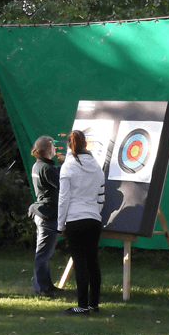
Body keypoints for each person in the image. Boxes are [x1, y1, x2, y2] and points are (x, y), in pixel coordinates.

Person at [57, 130, 105, 315]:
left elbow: (64, 199)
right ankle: (94, 304)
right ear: (86, 144)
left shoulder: (68, 167)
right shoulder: (96, 166)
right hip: (93, 219)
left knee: (80, 263)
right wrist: (95, 213)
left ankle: (82, 305)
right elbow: (101, 197)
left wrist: (60, 225)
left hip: (75, 220)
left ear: (70, 145)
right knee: (93, 261)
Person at [28, 135, 60, 297]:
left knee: (44, 252)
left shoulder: (38, 165)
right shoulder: (46, 169)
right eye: (53, 147)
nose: (55, 150)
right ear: (48, 150)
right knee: (43, 253)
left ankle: (46, 285)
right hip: (47, 214)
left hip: (41, 212)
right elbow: (62, 185)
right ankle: (41, 287)